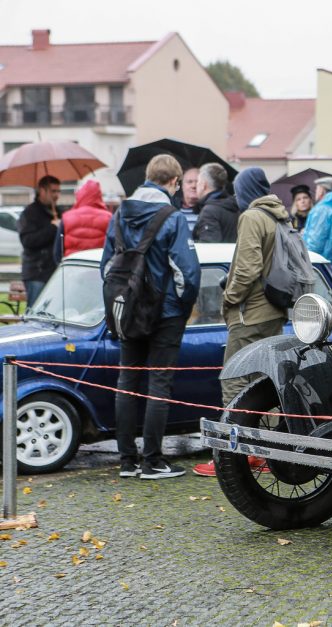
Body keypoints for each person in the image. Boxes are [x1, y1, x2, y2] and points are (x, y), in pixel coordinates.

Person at [101, 154, 200, 480]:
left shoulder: (118, 216)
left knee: (127, 382)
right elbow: (188, 273)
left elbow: (106, 269)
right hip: (164, 314)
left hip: (127, 311)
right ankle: (153, 461)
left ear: (146, 177)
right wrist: (180, 310)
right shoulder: (171, 217)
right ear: (173, 182)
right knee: (159, 383)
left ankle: (127, 461)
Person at [193, 167, 287, 477]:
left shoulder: (251, 217)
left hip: (249, 315)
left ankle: (230, 458)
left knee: (233, 383)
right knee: (263, 386)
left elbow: (246, 269)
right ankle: (265, 454)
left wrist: (229, 298)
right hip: (273, 312)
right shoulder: (280, 216)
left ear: (246, 190)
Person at [18, 175, 61, 306]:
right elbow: (28, 240)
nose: (57, 195)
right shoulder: (29, 213)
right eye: (53, 191)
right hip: (37, 273)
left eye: (58, 191)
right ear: (42, 191)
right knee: (35, 311)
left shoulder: (58, 212)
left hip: (55, 272)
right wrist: (52, 227)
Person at [54, 179, 112, 263]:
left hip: (72, 267)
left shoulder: (67, 217)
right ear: (99, 195)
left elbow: (57, 252)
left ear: (81, 194)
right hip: (97, 268)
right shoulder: (108, 217)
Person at [192, 163, 238, 243]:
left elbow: (209, 246)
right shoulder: (233, 205)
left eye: (198, 182)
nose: (196, 186)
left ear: (203, 185)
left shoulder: (209, 211)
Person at [178, 167, 200, 233]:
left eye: (198, 182)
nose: (194, 186)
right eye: (189, 182)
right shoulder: (171, 208)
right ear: (182, 186)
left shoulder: (210, 210)